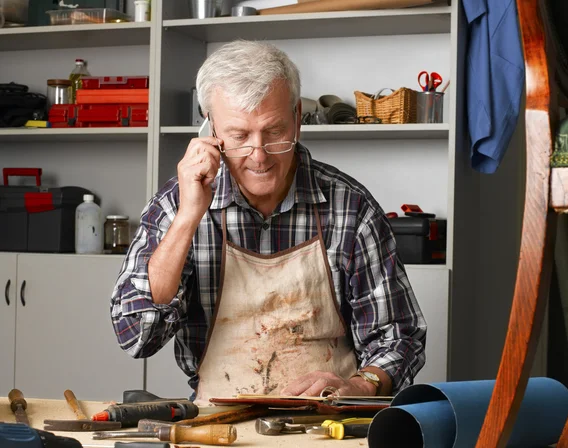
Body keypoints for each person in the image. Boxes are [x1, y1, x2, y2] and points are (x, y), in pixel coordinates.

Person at [110, 40, 427, 402]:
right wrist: (187, 219)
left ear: (296, 119)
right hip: (218, 423)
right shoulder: (174, 206)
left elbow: (398, 336)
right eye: (240, 136)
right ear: (210, 130)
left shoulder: (350, 207)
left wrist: (360, 385)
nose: (259, 156)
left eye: (274, 132)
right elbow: (136, 334)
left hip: (329, 420)